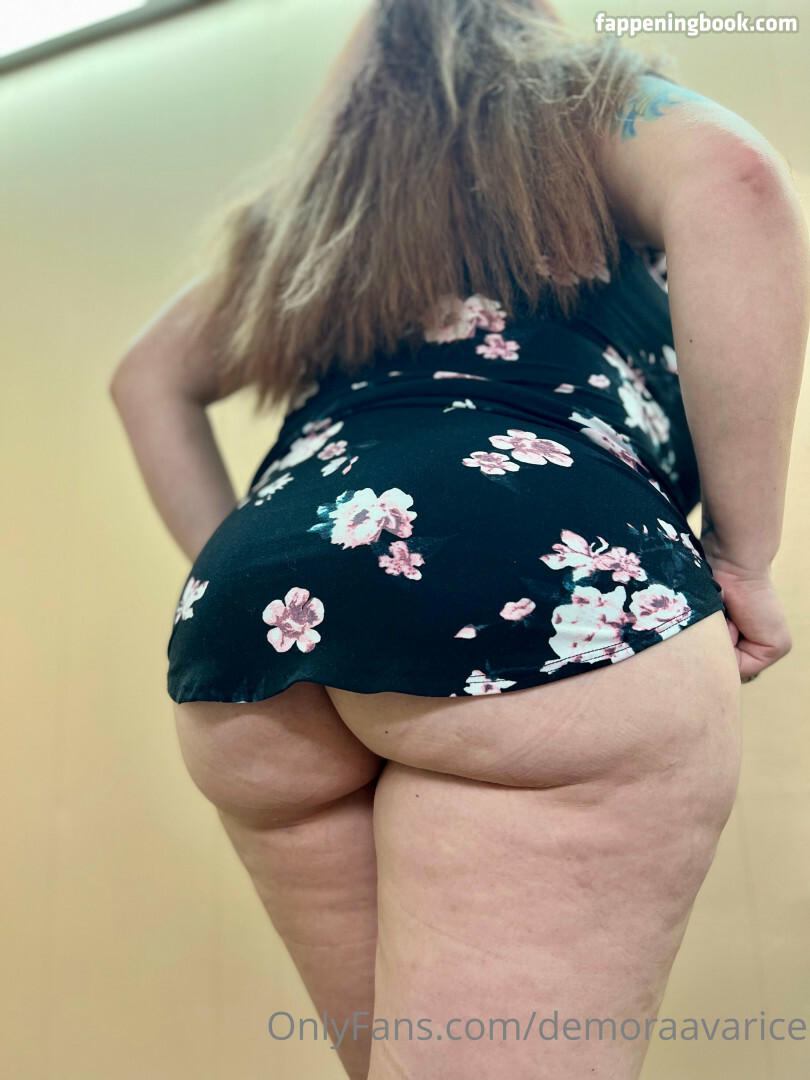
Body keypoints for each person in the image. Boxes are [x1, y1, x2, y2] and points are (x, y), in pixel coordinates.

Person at [110, 2, 808, 1077]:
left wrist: (261, 581)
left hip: (254, 635)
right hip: (530, 574)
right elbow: (736, 179)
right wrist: (743, 555)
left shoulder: (320, 202)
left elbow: (143, 379)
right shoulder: (585, 107)